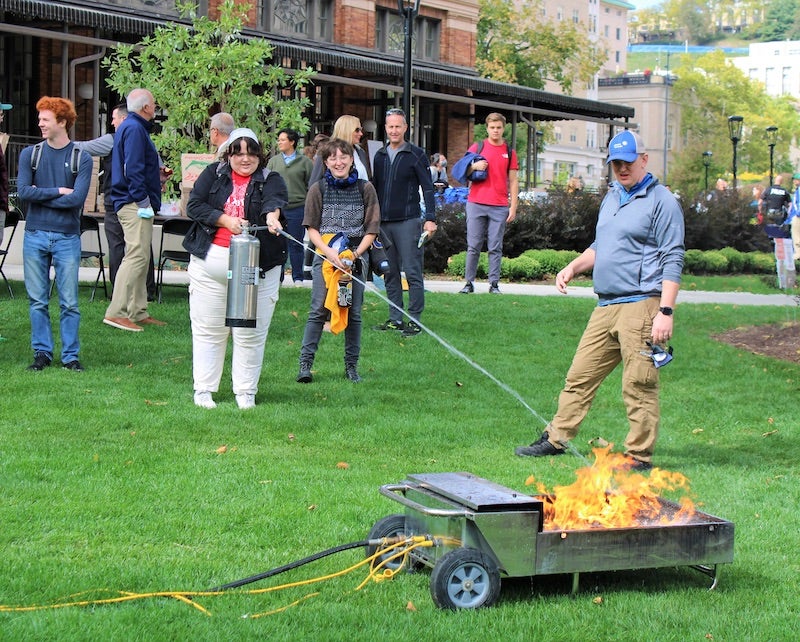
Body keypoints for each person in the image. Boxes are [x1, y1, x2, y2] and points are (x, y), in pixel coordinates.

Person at [515, 130, 685, 471]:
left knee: (638, 384)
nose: (622, 168)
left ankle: (639, 456)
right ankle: (555, 438)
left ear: (644, 159)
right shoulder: (612, 197)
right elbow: (599, 247)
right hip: (606, 305)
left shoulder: (662, 201)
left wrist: (665, 311)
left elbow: (673, 257)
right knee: (579, 375)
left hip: (642, 305)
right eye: (616, 163)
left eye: (628, 162)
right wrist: (573, 267)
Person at [184, 128, 288, 409]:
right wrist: (224, 220)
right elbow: (194, 206)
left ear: (259, 155)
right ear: (229, 154)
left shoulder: (271, 179)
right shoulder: (213, 174)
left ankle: (245, 392)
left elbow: (274, 203)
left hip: (258, 267)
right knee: (209, 329)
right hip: (210, 262)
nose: (245, 158)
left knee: (249, 332)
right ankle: (204, 390)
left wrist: (271, 217)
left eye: (251, 152)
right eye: (238, 152)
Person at [16, 96, 93, 371]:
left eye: (45, 119)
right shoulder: (30, 154)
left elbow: (77, 200)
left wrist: (40, 196)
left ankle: (70, 356)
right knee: (37, 300)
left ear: (62, 122)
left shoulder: (81, 158)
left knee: (70, 302)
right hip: (34, 235)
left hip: (67, 238)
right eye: (40, 119)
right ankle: (42, 354)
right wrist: (58, 191)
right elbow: (23, 192)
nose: (40, 124)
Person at [296, 138, 380, 383]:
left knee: (353, 312)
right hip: (326, 258)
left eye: (344, 156)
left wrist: (354, 255)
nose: (339, 161)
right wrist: (328, 253)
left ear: (352, 159)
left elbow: (372, 228)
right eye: (333, 157)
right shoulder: (318, 189)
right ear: (326, 162)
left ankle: (351, 367)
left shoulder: (366, 189)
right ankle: (305, 365)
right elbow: (311, 227)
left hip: (354, 258)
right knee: (318, 309)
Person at [103, 88, 166, 332]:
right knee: (137, 255)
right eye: (153, 102)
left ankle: (137, 311)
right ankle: (117, 312)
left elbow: (134, 166)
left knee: (141, 255)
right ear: (145, 107)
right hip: (133, 202)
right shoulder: (134, 128)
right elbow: (132, 168)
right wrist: (143, 202)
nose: (156, 106)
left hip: (132, 199)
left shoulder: (131, 127)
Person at [371, 108, 437, 337]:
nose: (394, 130)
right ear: (386, 128)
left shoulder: (416, 154)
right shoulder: (379, 156)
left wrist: (430, 219)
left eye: (398, 126)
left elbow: (427, 188)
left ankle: (415, 320)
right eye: (390, 126)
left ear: (405, 128)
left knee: (412, 271)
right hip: (383, 224)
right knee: (389, 272)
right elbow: (375, 188)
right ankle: (395, 318)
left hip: (408, 221)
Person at [458, 112, 519, 295]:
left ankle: (494, 284)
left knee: (495, 246)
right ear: (487, 128)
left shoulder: (509, 152)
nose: (495, 131)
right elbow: (461, 168)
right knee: (473, 245)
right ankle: (469, 283)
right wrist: (474, 167)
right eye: (492, 127)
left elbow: (514, 181)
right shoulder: (478, 146)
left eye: (498, 127)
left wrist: (513, 206)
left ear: (503, 128)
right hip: (476, 202)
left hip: (499, 205)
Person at [267, 128, 313, 285]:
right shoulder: (273, 162)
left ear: (292, 142)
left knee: (296, 243)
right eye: (278, 140)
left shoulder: (305, 162)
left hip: (297, 208)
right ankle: (277, 278)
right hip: (277, 210)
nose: (279, 142)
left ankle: (298, 278)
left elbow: (311, 186)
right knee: (277, 243)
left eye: (282, 140)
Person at [309, 116, 370, 184]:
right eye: (357, 130)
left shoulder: (360, 152)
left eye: (361, 130)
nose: (361, 134)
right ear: (346, 130)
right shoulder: (326, 151)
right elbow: (314, 183)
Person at [788, 173, 800, 258]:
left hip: (798, 216)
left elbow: (796, 204)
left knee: (796, 235)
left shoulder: (798, 190)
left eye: (795, 179)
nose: (794, 181)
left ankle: (798, 254)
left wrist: (798, 213)